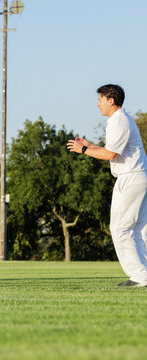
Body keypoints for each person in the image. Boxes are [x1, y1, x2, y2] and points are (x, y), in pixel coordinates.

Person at [67, 84, 147, 287]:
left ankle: (139, 276)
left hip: (130, 177)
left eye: (100, 99)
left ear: (111, 100)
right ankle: (143, 274)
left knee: (119, 228)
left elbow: (111, 154)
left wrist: (84, 150)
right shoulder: (120, 120)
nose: (98, 104)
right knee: (138, 230)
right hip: (138, 176)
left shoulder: (118, 121)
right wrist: (90, 145)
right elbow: (112, 149)